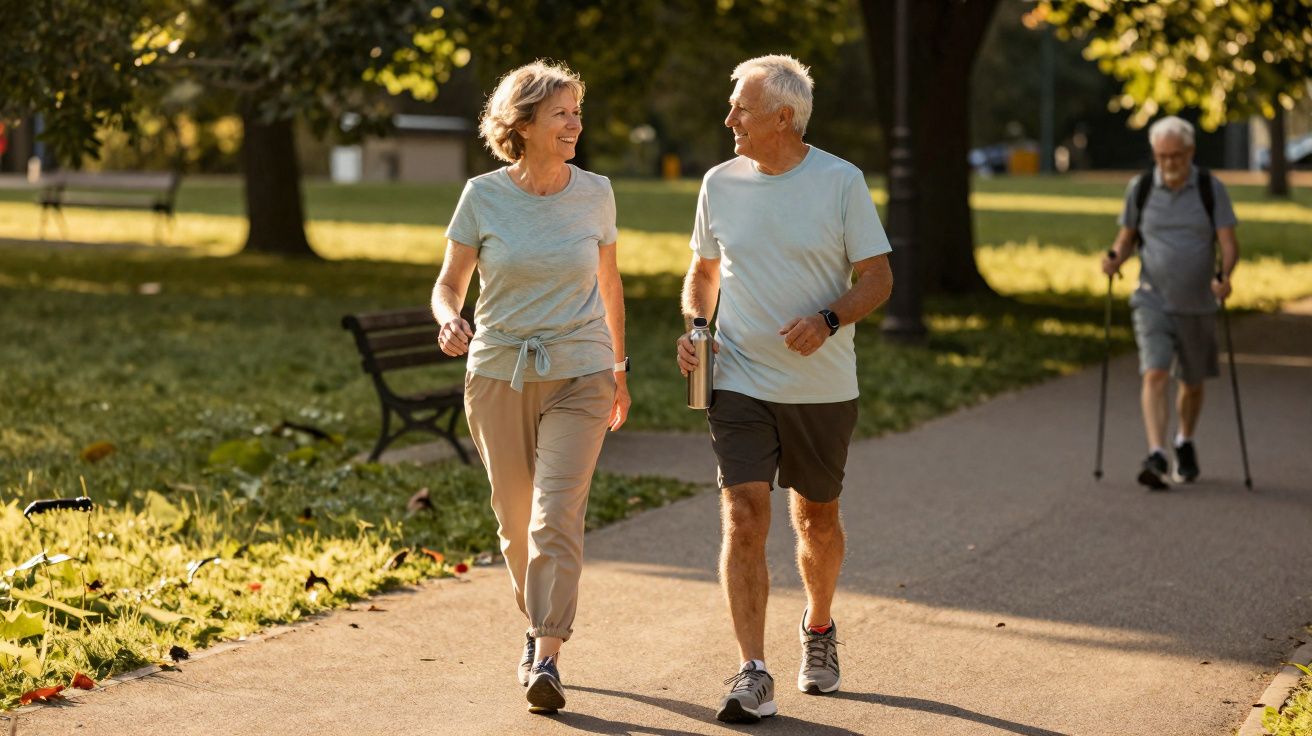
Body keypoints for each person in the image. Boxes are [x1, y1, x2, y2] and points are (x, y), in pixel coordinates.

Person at [675, 55, 893, 724]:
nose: (728, 119)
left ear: (782, 118)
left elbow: (877, 279)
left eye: (740, 108)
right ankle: (753, 669)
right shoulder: (720, 182)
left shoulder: (840, 183)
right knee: (743, 514)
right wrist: (696, 329)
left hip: (821, 386)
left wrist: (829, 319)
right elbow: (703, 273)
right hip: (738, 377)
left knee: (816, 518)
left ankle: (819, 628)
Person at [431, 60, 631, 715]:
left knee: (554, 519)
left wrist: (620, 369)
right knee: (516, 527)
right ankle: (535, 623)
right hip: (497, 374)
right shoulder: (483, 195)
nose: (576, 123)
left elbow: (610, 284)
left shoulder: (595, 191)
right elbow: (449, 283)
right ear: (523, 125)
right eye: (562, 113)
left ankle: (547, 655)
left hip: (581, 371)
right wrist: (449, 318)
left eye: (577, 111)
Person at [1101, 115, 1239, 491]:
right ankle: (1157, 453)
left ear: (1190, 152)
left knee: (1192, 383)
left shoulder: (1211, 188)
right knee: (1155, 372)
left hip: (1197, 303)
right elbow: (1126, 237)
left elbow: (1228, 244)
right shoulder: (1141, 188)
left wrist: (1224, 277)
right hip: (1152, 299)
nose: (1168, 164)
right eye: (1161, 156)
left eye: (1175, 156)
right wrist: (1115, 258)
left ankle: (1185, 442)